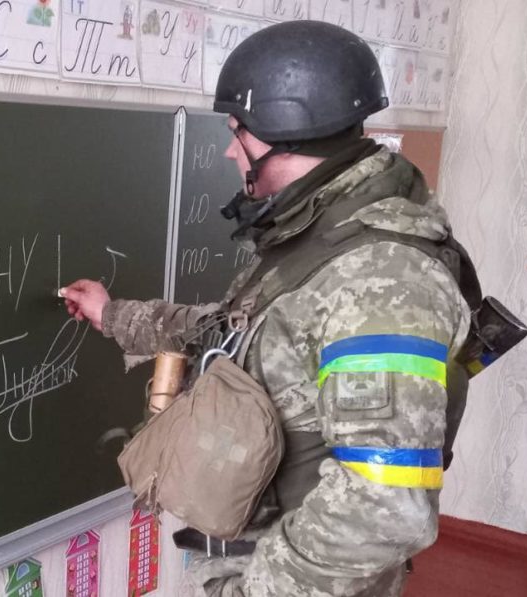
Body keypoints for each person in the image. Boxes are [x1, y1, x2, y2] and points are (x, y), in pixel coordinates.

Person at [60, 20, 476, 597]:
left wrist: (254, 589)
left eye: (240, 132)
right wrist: (116, 316)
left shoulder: (384, 281)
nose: (232, 150)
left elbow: (383, 506)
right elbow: (234, 336)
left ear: (289, 136)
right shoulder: (319, 233)